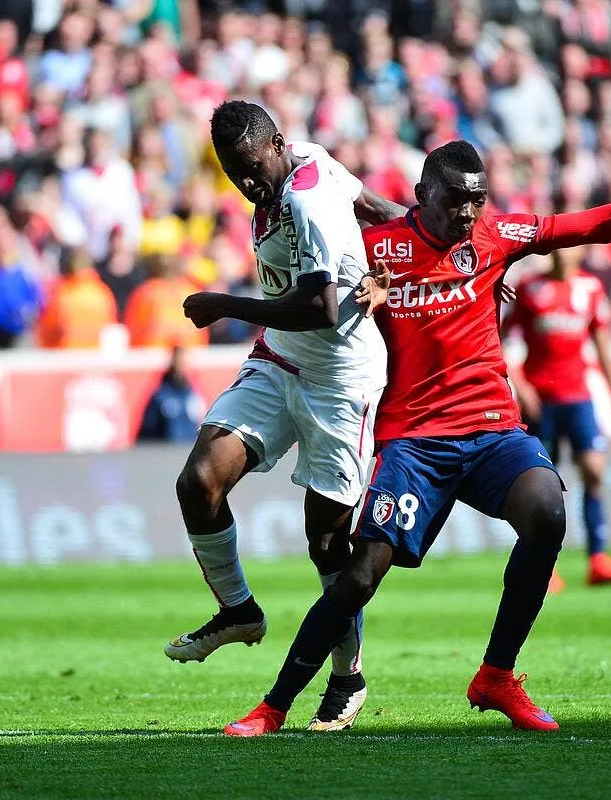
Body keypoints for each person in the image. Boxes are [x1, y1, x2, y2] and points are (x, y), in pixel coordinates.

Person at [221, 142, 611, 736]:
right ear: (423, 194)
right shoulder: (375, 249)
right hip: (415, 441)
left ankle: (497, 675)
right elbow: (320, 305)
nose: (468, 213)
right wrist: (363, 298)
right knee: (359, 577)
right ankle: (275, 705)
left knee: (547, 512)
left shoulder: (497, 237)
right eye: (455, 200)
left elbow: (597, 223)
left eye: (477, 200)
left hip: (493, 432)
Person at [171, 100, 406, 732]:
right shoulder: (309, 159)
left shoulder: (305, 195)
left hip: (341, 379)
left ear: (276, 144)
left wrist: (227, 304)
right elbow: (376, 209)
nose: (246, 182)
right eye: (233, 172)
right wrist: (421, 247)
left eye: (251, 167)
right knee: (199, 481)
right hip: (280, 360)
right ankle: (239, 611)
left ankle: (347, 675)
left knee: (326, 541)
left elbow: (322, 308)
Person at [505, 245, 611, 588]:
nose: (563, 253)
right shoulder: (530, 288)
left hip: (578, 397)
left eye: (570, 247)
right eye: (559, 248)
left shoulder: (590, 288)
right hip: (540, 402)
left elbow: (601, 342)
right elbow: (498, 339)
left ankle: (598, 559)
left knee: (594, 471)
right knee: (541, 486)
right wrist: (521, 386)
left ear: (581, 252)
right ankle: (542, 568)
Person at [137, 345, 204, 443]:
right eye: (178, 361)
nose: (180, 365)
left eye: (183, 361)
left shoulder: (193, 395)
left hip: (190, 448)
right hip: (166, 450)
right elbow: (147, 431)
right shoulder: (160, 396)